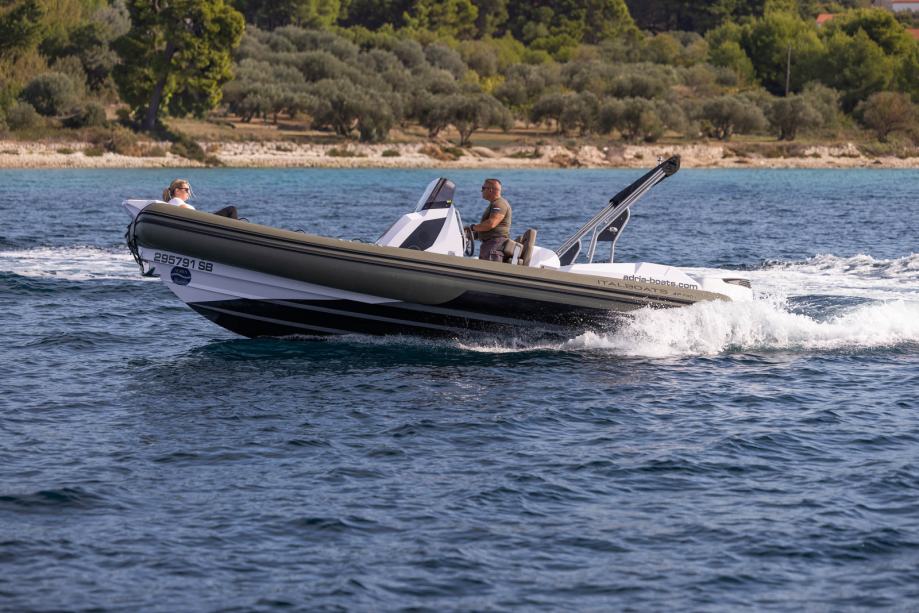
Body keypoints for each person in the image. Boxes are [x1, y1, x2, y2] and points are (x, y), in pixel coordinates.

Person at [470, 178, 511, 261]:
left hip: (494, 245)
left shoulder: (499, 204)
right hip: (490, 245)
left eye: (483, 188)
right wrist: (471, 234)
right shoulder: (495, 203)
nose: (481, 191)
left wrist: (472, 228)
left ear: (490, 190)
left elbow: (491, 224)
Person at [162, 178, 238, 219]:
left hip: (201, 219)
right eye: (186, 190)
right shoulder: (176, 201)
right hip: (202, 220)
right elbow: (191, 214)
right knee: (231, 209)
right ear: (177, 191)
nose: (189, 192)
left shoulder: (174, 202)